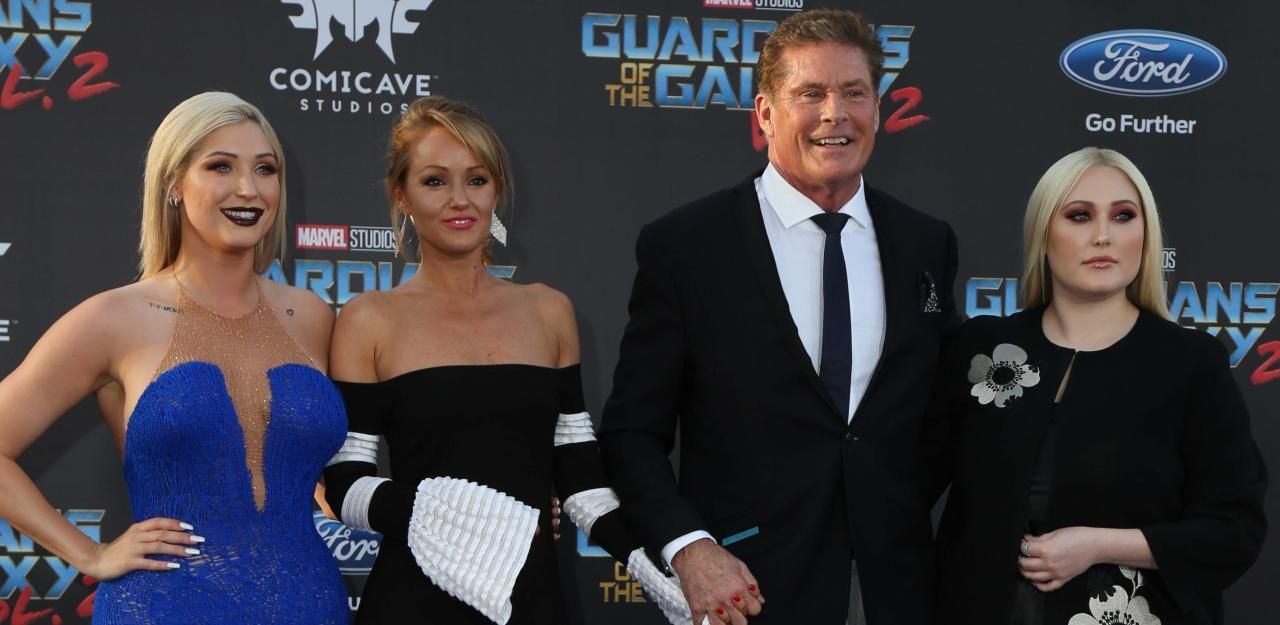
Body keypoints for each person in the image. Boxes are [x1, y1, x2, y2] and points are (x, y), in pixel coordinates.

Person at [598, 9, 959, 625]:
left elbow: (939, 418)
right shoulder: (687, 246)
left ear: (878, 109)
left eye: (854, 93)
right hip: (746, 591)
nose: (834, 114)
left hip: (893, 589)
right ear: (765, 114)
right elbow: (633, 433)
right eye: (810, 94)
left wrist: (882, 511)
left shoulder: (926, 243)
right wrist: (690, 549)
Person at [321, 95, 686, 625]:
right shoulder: (369, 319)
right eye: (434, 181)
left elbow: (582, 482)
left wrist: (659, 574)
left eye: (476, 179)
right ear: (401, 195)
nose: (459, 200)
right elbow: (345, 482)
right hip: (412, 603)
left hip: (533, 600)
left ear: (497, 191)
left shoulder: (549, 311)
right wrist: (480, 520)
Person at [0, 92, 348, 623]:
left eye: (265, 169)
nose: (248, 188)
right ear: (172, 184)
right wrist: (90, 554)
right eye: (220, 166)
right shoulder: (114, 318)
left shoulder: (312, 316)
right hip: (163, 606)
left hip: (308, 604)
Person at [924, 147, 1266, 625]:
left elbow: (1233, 529)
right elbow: (905, 484)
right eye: (1079, 216)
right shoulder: (979, 350)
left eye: (1123, 216)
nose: (1103, 235)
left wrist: (1097, 545)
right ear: (1043, 234)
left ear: (1146, 235)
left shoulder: (1191, 363)